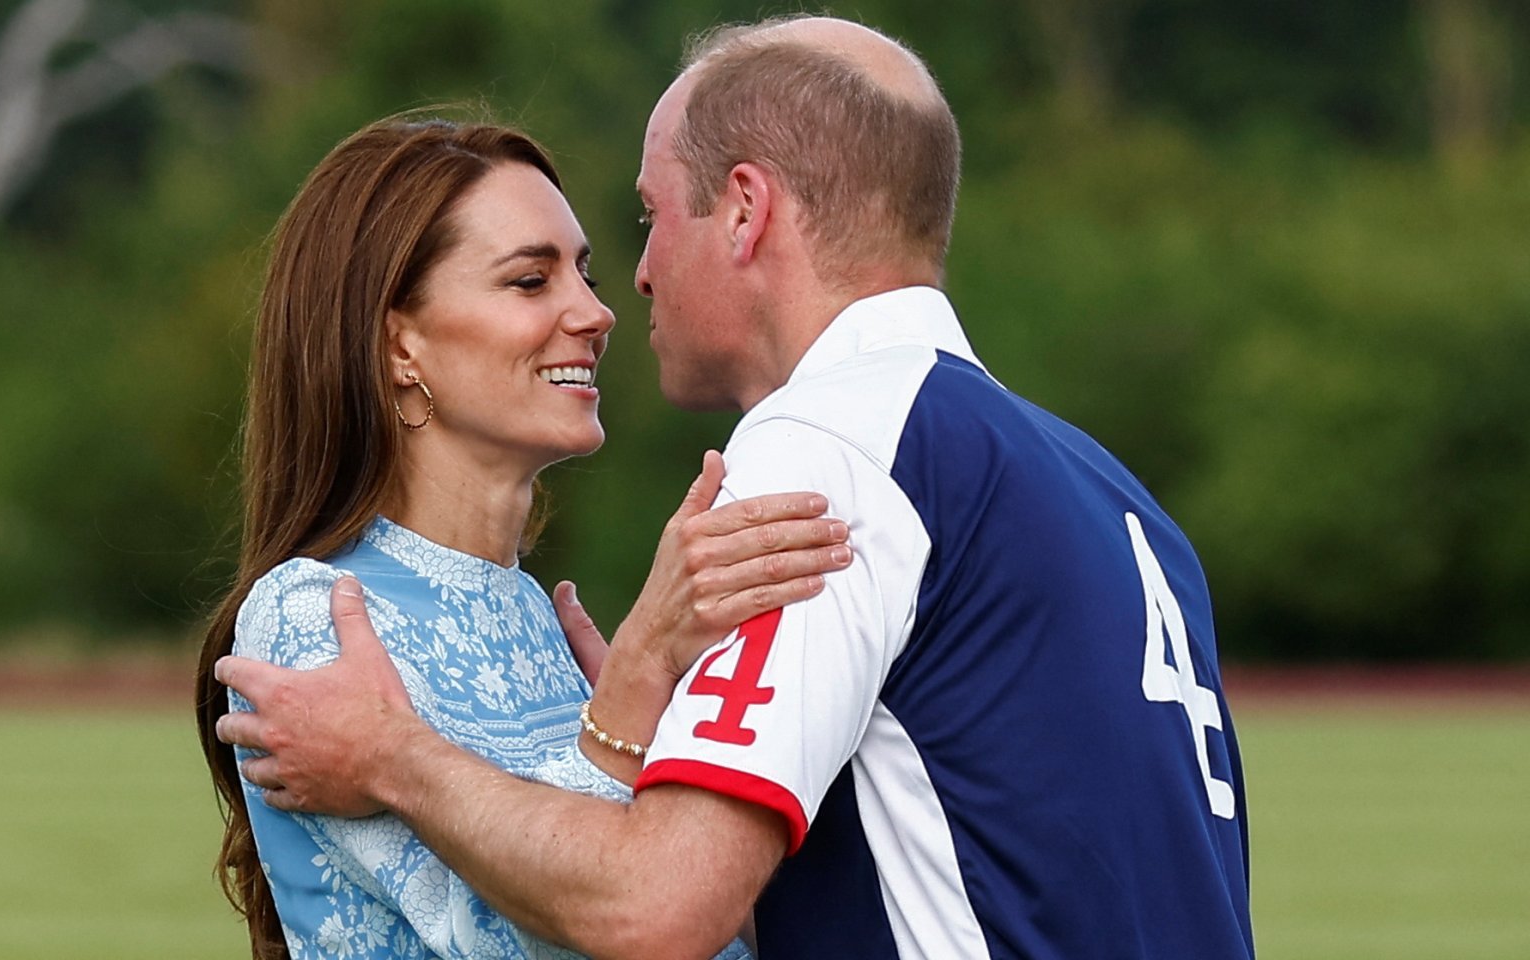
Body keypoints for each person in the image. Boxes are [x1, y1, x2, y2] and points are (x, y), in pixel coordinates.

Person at [215, 14, 1255, 960]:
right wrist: (637, 713)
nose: (616, 296)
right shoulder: (1117, 497)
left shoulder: (835, 446)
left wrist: (401, 755)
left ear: (746, 210)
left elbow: (654, 911)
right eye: (533, 279)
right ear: (397, 345)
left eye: (646, 220)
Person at [192, 116, 856, 959]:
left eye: (585, 273)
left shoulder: (538, 615)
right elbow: (531, 942)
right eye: (531, 280)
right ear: (400, 345)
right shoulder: (315, 616)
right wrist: (641, 675)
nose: (597, 312)